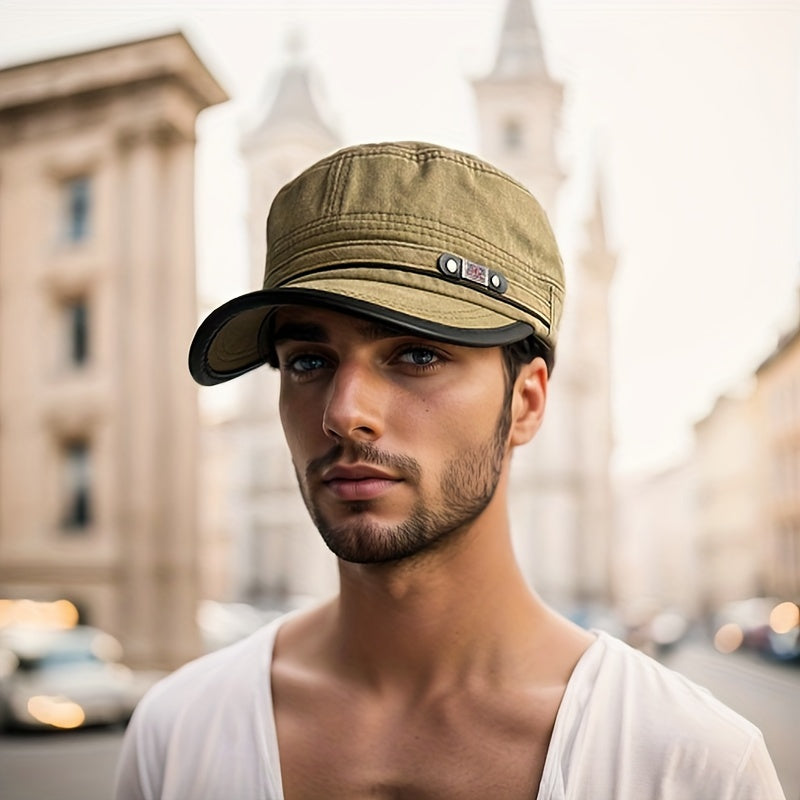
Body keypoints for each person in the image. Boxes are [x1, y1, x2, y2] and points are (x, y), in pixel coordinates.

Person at [115, 141, 786, 800]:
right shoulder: (179, 733)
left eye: (417, 356)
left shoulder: (690, 764)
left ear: (525, 403)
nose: (344, 414)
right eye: (309, 361)